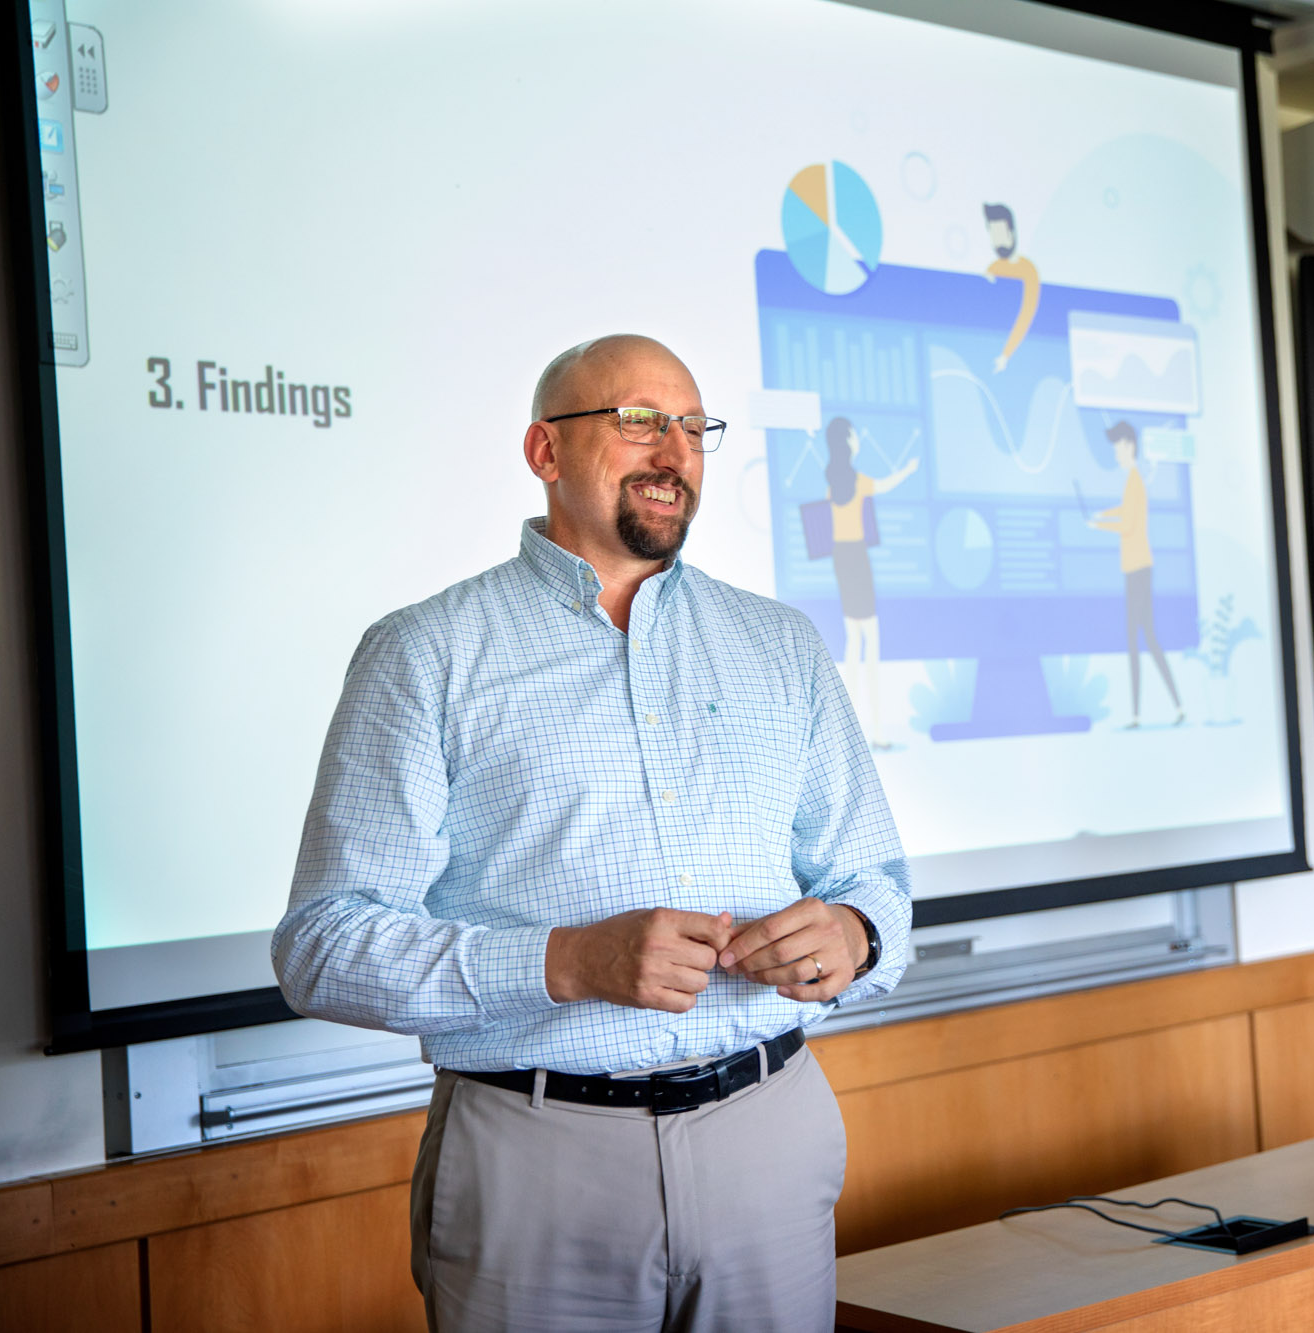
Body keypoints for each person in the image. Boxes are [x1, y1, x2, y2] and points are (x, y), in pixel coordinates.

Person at [272, 334, 911, 1333]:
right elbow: (323, 945)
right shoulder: (424, 654)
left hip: (766, 1137)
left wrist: (855, 934)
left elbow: (876, 881)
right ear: (544, 451)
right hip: (534, 1155)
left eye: (693, 428)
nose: (673, 449)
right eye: (637, 420)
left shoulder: (780, 645)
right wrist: (567, 960)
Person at [824, 415, 918, 750]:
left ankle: (855, 733)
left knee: (853, 643)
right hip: (857, 559)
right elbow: (888, 484)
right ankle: (875, 731)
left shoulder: (832, 483)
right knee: (871, 643)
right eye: (853, 436)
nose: (857, 440)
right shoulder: (858, 481)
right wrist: (908, 469)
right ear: (847, 442)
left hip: (841, 558)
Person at [1091, 422, 1183, 729]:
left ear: (1129, 445)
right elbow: (1125, 510)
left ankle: (1140, 714)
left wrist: (1099, 526)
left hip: (1138, 570)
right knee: (1145, 639)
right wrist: (1105, 513)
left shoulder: (1135, 481)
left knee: (1140, 639)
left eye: (1117, 446)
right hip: (1136, 569)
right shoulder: (1132, 482)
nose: (1116, 452)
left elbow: (1129, 525)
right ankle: (1167, 707)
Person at [981, 202, 1039, 373]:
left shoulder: (1027, 270)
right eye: (993, 234)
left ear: (1012, 233)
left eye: (1001, 233)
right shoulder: (992, 269)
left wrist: (1006, 355)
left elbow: (1026, 314)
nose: (997, 240)